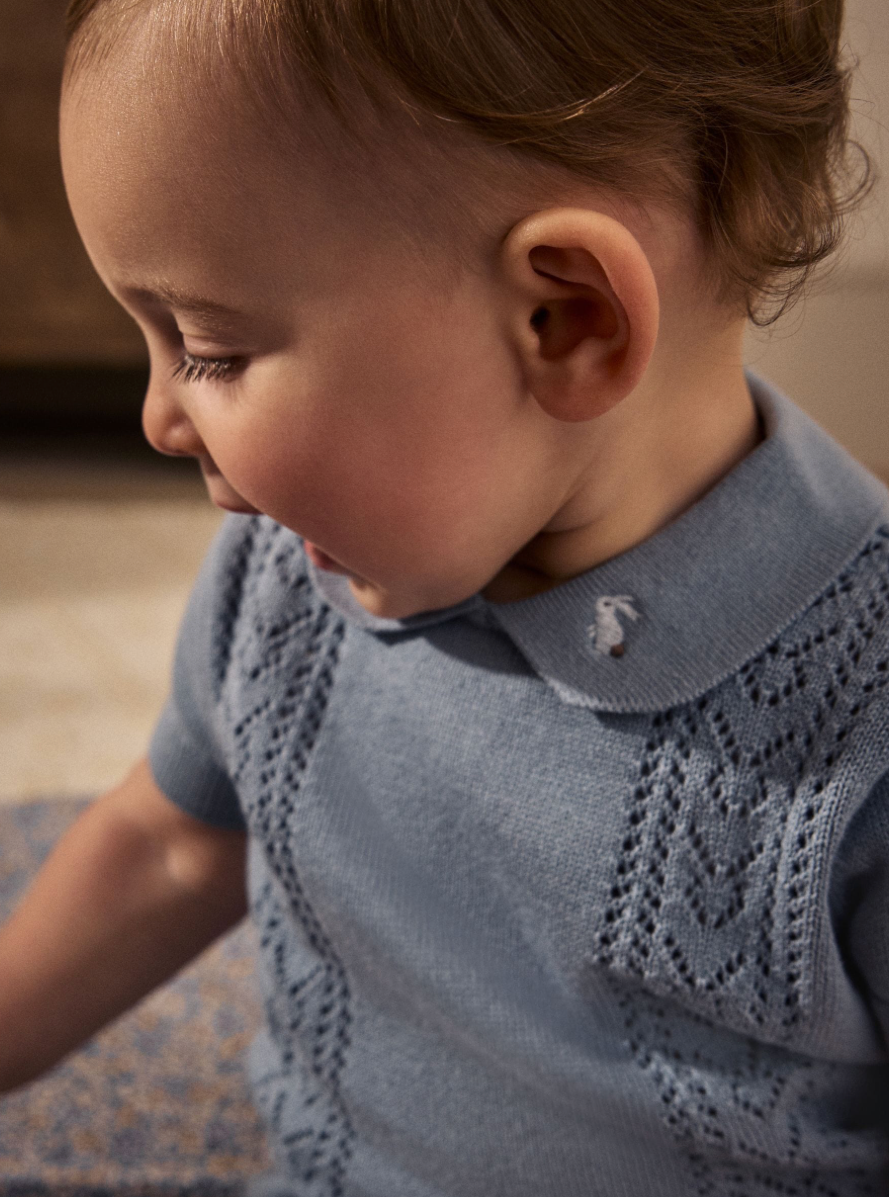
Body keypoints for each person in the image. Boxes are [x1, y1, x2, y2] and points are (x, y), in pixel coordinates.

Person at [2, 0, 888, 1191]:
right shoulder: (294, 575)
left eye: (207, 348)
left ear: (562, 319)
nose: (159, 417)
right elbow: (170, 843)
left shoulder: (855, 723)